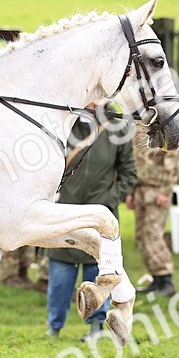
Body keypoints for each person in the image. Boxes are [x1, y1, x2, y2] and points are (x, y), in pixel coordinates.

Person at [45, 120, 137, 339]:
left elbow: (129, 173)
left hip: (100, 216)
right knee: (60, 275)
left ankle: (96, 327)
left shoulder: (117, 128)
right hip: (65, 212)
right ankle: (54, 328)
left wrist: (109, 200)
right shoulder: (63, 124)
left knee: (99, 272)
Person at [130, 143, 179, 297]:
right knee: (141, 236)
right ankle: (157, 278)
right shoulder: (139, 126)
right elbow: (135, 158)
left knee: (153, 235)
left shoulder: (165, 123)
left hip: (157, 189)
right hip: (141, 188)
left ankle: (166, 279)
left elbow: (174, 158)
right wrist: (131, 191)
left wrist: (166, 190)